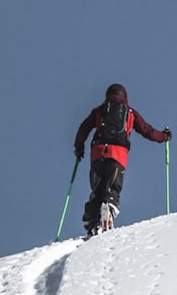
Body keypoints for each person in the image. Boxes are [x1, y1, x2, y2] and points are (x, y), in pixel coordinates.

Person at [73, 83, 170, 238]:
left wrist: (79, 148)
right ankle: (109, 207)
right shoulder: (130, 112)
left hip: (98, 153)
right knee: (113, 186)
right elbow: (148, 131)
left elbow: (83, 128)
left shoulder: (99, 110)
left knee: (97, 189)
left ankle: (92, 220)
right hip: (118, 153)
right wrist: (164, 136)